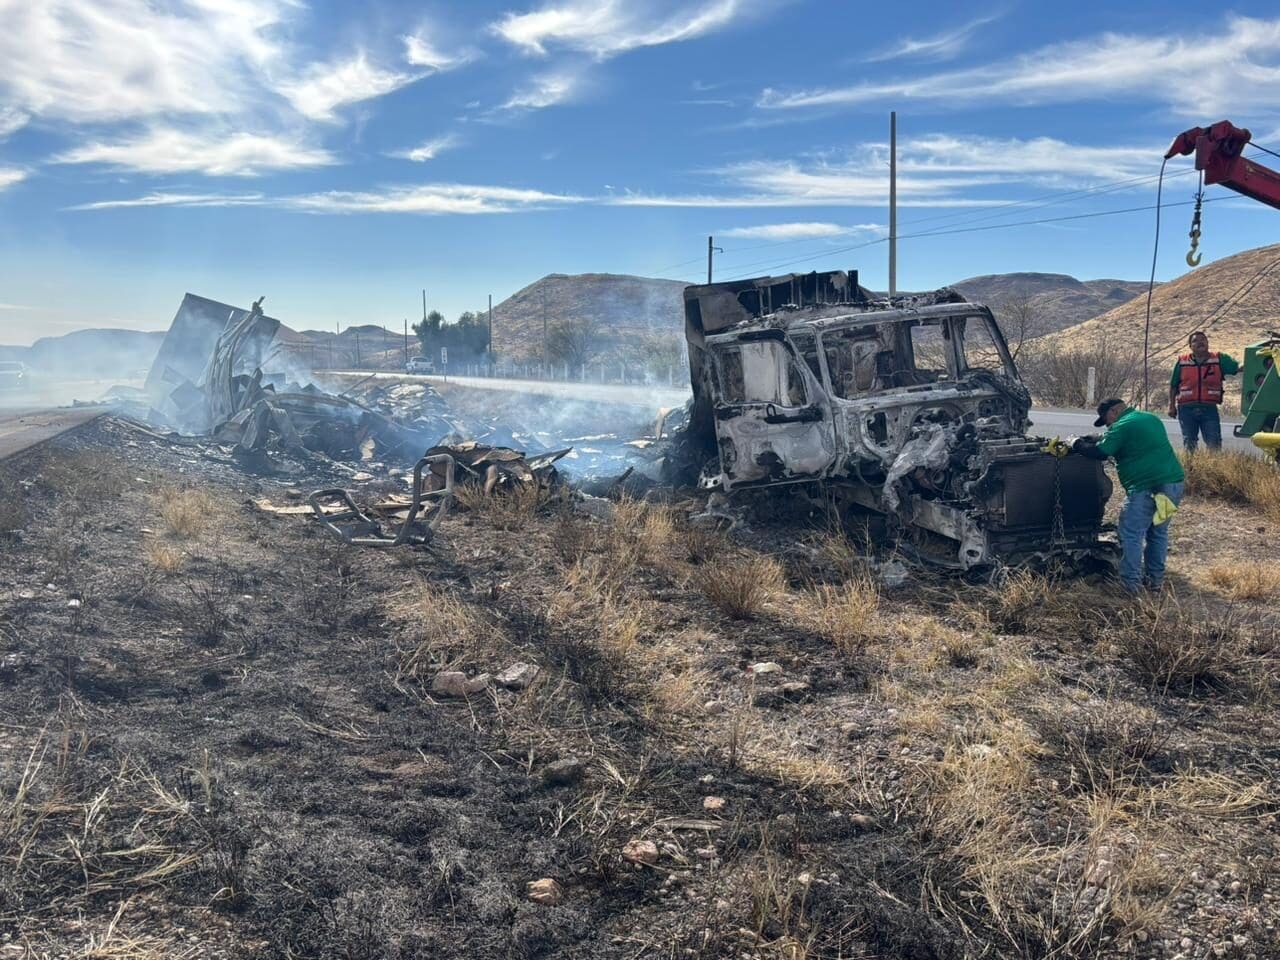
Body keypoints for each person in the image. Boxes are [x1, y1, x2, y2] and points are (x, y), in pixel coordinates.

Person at [1074, 398, 1185, 595]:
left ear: (1114, 411)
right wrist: (1100, 437)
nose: (1108, 424)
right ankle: (1154, 582)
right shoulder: (1149, 418)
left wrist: (1075, 444)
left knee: (1131, 535)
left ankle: (1130, 586)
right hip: (1173, 484)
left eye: (1107, 420)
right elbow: (1131, 440)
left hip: (1146, 487)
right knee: (1157, 533)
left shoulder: (1122, 425)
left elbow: (1101, 452)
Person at [1167, 331, 1239, 451]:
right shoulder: (1182, 362)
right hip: (1186, 409)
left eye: (1203, 339)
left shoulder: (1219, 359)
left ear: (1207, 342)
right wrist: (1171, 406)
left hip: (1209, 409)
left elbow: (1238, 368)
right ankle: (1191, 468)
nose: (1200, 342)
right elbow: (1173, 385)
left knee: (1214, 442)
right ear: (1190, 346)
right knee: (1189, 442)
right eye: (1195, 341)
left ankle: (1214, 468)